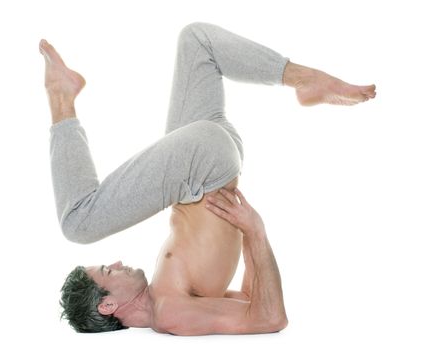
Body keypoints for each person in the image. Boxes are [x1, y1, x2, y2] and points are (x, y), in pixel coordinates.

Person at [40, 22, 376, 336]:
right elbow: (267, 315)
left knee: (197, 41)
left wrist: (248, 234)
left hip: (209, 159)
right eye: (108, 271)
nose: (116, 262)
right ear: (108, 304)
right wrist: (253, 231)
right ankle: (61, 95)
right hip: (205, 163)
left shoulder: (166, 293)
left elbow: (250, 299)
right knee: (77, 224)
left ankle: (303, 78)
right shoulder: (169, 314)